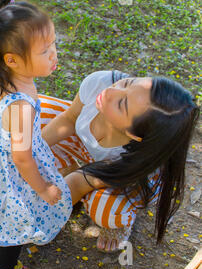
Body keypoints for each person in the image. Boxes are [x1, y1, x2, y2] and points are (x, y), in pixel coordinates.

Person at [40, 70, 200, 252]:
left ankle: (120, 225)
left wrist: (46, 217)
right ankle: (66, 167)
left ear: (132, 134)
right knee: (32, 115)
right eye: (128, 83)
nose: (110, 91)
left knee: (105, 209)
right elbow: (69, 119)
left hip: (127, 177)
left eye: (121, 104)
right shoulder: (101, 82)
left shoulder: (132, 160)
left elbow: (78, 183)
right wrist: (29, 151)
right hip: (93, 152)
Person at [0, 0, 72, 269]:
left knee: (13, 216)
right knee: (13, 220)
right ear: (13, 60)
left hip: (3, 161)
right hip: (14, 172)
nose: (54, 53)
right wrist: (43, 188)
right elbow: (21, 157)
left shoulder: (8, 79)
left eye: (54, 43)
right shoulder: (20, 107)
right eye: (44, 50)